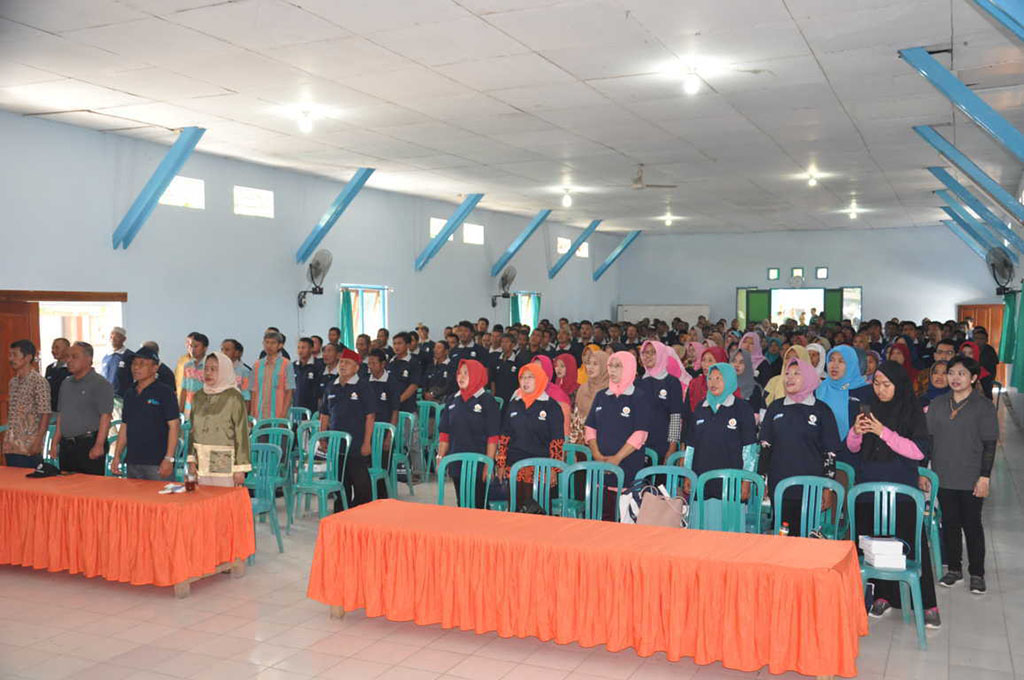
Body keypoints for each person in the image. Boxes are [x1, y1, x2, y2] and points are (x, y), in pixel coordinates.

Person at [847, 360, 939, 627]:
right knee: (872, 543)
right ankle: (880, 596)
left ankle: (927, 603)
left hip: (901, 491)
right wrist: (855, 432)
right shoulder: (868, 408)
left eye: (886, 384)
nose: (879, 389)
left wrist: (883, 432)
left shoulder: (911, 411)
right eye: (876, 383)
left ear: (898, 385)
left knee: (907, 544)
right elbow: (852, 448)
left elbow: (919, 451)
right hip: (869, 488)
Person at [926, 356, 998, 594]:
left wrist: (984, 477)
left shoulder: (983, 406)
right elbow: (928, 440)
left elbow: (989, 444)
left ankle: (977, 573)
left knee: (972, 524)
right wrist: (925, 471)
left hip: (971, 477)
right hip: (943, 474)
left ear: (973, 378)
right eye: (952, 373)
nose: (955, 378)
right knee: (950, 524)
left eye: (962, 374)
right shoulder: (937, 404)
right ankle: (954, 569)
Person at [758, 358, 840, 535]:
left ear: (809, 377)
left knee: (807, 538)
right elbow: (765, 447)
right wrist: (763, 479)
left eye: (796, 373)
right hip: (779, 485)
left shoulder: (821, 410)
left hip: (812, 487)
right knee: (783, 536)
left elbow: (830, 453)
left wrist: (827, 487)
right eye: (787, 374)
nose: (790, 378)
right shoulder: (775, 407)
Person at [682, 362, 758, 530]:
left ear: (730, 380)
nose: (713, 382)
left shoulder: (742, 409)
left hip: (730, 485)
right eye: (710, 378)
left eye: (718, 378)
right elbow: (691, 447)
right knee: (700, 532)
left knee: (727, 535)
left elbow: (749, 449)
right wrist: (688, 474)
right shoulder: (701, 408)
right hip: (701, 481)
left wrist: (746, 481)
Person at [584, 351, 650, 507]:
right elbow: (590, 427)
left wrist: (616, 459)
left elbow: (640, 434)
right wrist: (597, 455)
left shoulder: (639, 397)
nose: (612, 370)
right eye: (610, 366)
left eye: (618, 366)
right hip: (601, 465)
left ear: (629, 368)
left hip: (628, 466)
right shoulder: (602, 395)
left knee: (623, 519)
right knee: (601, 516)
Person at [497, 361, 565, 509]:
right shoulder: (514, 403)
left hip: (541, 468)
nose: (525, 381)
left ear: (540, 378)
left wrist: (554, 469)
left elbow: (557, 441)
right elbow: (505, 436)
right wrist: (501, 463)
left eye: (530, 377)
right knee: (516, 511)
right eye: (522, 377)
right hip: (514, 466)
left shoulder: (551, 406)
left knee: (538, 513)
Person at [436, 359, 500, 508]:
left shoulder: (487, 401)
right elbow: (444, 433)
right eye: (459, 373)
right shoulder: (452, 399)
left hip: (479, 462)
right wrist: (440, 457)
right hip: (456, 461)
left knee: (479, 503)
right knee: (462, 502)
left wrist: (488, 465)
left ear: (477, 375)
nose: (461, 377)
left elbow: (493, 436)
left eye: (466, 373)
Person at [111, 345, 180, 480]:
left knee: (160, 500)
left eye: (142, 364)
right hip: (133, 461)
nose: (136, 367)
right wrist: (117, 455)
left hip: (158, 463)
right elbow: (125, 426)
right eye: (134, 364)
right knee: (135, 500)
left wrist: (169, 458)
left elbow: (174, 426)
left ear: (155, 368)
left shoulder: (165, 392)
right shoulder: (130, 393)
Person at [320, 349, 374, 509]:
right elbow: (324, 415)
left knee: (360, 482)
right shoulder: (332, 386)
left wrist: (367, 443)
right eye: (341, 362)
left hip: (357, 443)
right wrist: (323, 437)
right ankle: (341, 512)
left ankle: (362, 514)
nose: (343, 365)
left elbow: (370, 416)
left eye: (347, 363)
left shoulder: (363, 386)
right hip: (336, 444)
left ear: (356, 367)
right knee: (340, 481)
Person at [50, 342, 114, 475]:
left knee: (89, 490)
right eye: (68, 357)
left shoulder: (100, 383)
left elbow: (106, 416)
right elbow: (62, 415)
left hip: (88, 444)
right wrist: (55, 442)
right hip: (67, 445)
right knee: (67, 489)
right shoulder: (66, 383)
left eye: (74, 357)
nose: (69, 360)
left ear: (89, 359)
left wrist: (99, 445)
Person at [188, 351, 250, 487]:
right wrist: (191, 459)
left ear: (224, 371)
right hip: (201, 462)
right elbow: (193, 430)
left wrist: (240, 468)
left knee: (223, 504)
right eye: (206, 369)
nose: (208, 373)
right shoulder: (198, 396)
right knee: (203, 503)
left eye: (213, 369)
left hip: (225, 464)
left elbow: (242, 433)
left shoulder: (234, 397)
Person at [4, 340, 51, 469]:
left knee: (28, 485)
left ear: (28, 357)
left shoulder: (39, 382)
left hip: (29, 446)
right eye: (10, 355)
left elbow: (45, 414)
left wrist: (38, 441)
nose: (10, 359)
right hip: (11, 445)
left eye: (14, 355)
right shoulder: (13, 382)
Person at [638, 341, 683, 460]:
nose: (648, 356)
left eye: (653, 353)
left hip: (663, 444)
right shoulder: (638, 382)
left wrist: (672, 448)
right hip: (640, 444)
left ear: (662, 355)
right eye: (645, 352)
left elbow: (675, 417)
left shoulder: (672, 382)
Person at [571, 345, 609, 445]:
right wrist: (574, 445)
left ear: (604, 366)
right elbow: (577, 420)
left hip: (603, 444)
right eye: (588, 363)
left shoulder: (610, 391)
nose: (590, 367)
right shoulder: (583, 389)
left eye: (595, 364)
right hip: (581, 444)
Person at [252, 331, 295, 419]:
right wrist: (252, 414)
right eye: (266, 342)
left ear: (280, 345)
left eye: (273, 343)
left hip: (278, 415)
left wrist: (283, 415)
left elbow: (289, 392)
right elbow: (254, 391)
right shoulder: (257, 365)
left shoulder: (286, 364)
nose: (269, 346)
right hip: (260, 415)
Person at [387, 332, 421, 415]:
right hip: (390, 407)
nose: (396, 346)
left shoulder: (414, 363)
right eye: (394, 343)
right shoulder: (391, 362)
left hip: (407, 408)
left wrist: (398, 401)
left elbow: (413, 386)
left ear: (408, 345)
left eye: (399, 343)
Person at [179, 332, 209, 418]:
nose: (192, 349)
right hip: (189, 409)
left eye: (196, 346)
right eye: (191, 346)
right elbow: (184, 389)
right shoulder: (187, 365)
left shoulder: (210, 366)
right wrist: (180, 410)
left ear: (205, 348)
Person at [101, 326, 135, 398]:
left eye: (116, 337)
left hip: (123, 398)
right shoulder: (106, 357)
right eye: (111, 337)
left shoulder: (130, 356)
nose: (113, 339)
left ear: (124, 339)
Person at [292, 337, 323, 413]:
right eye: (299, 347)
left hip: (312, 408)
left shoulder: (319, 365)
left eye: (303, 348)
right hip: (296, 408)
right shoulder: (293, 366)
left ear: (311, 349)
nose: (300, 350)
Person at [490, 334, 522, 404]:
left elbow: (520, 381)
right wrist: (493, 395)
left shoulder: (518, 362)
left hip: (512, 396)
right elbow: (493, 379)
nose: (504, 344)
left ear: (513, 344)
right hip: (498, 396)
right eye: (502, 342)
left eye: (507, 342)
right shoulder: (496, 360)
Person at [730, 348, 764, 413]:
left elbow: (755, 414)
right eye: (734, 361)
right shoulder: (723, 384)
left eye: (741, 362)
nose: (737, 365)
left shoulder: (754, 388)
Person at [221, 339, 252, 403]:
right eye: (222, 349)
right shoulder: (217, 369)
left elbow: (246, 395)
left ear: (236, 353)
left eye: (227, 350)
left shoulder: (244, 371)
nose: (223, 352)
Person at [971, 327, 999, 399]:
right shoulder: (970, 349)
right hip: (971, 376)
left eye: (981, 339)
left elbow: (992, 367)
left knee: (986, 395)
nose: (978, 341)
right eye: (976, 338)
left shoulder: (989, 350)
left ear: (986, 340)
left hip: (986, 378)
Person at [44, 338, 70, 412]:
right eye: (52, 348)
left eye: (57, 348)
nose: (54, 351)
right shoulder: (50, 368)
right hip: (52, 409)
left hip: (67, 410)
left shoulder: (72, 368)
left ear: (67, 349)